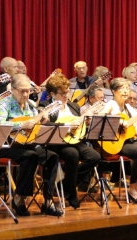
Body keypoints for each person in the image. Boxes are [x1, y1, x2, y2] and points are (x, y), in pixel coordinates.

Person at [0, 74, 62, 216]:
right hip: (7, 146)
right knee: (30, 156)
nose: (26, 94)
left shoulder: (30, 106)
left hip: (27, 143)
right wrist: (20, 124)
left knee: (52, 156)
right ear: (12, 89)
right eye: (22, 91)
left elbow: (33, 128)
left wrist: (40, 122)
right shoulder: (4, 104)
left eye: (28, 91)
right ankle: (19, 199)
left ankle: (47, 201)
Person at [40, 74, 100, 209]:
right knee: (72, 154)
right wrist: (66, 126)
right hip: (57, 142)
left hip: (74, 140)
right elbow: (45, 125)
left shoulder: (73, 107)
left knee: (94, 157)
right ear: (52, 94)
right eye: (62, 93)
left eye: (67, 92)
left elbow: (79, 127)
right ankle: (72, 194)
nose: (66, 95)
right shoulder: (46, 106)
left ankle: (66, 183)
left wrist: (86, 122)